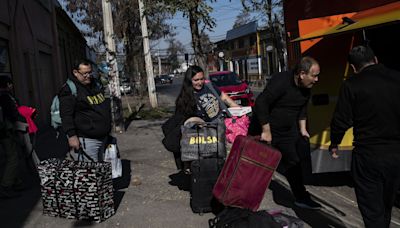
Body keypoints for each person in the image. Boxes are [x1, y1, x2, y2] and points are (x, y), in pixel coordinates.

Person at [329, 45, 400, 228]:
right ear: (375, 59)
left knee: (371, 208)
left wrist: (335, 143)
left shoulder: (351, 85)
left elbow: (341, 120)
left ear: (353, 67)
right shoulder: (397, 78)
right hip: (396, 154)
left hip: (368, 155)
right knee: (387, 203)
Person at [248, 56, 321, 210]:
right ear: (302, 74)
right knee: (255, 165)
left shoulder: (306, 87)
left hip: (287, 132)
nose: (317, 79)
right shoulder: (281, 81)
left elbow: (302, 108)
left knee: (294, 163)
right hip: (264, 128)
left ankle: (301, 197)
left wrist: (302, 129)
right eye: (314, 75)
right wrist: (266, 131)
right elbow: (261, 103)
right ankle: (243, 198)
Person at [174, 65, 238, 173]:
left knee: (226, 155)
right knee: (212, 159)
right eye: (196, 80)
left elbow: (223, 97)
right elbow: (185, 124)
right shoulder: (185, 98)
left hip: (220, 125)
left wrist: (237, 109)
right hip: (205, 132)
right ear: (189, 80)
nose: (200, 82)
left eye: (201, 79)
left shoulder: (209, 86)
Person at [59, 60, 111, 162]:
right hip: (87, 141)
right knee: (90, 174)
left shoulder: (95, 84)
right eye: (85, 73)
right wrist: (72, 136)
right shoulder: (69, 90)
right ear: (75, 72)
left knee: (102, 172)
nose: (88, 76)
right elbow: (66, 116)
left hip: (103, 137)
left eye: (90, 72)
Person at [0, 75, 22, 198]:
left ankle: (15, 181)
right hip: (6, 132)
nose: (12, 85)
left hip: (3, 131)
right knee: (12, 157)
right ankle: (6, 185)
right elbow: (12, 113)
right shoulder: (5, 97)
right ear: (7, 84)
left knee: (12, 156)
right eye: (10, 83)